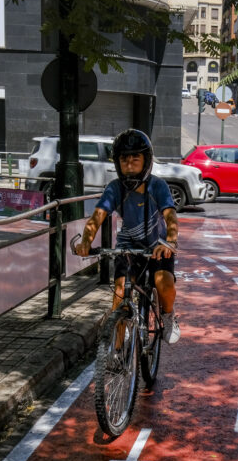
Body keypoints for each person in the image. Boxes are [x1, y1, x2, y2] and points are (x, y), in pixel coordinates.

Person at [72, 128, 181, 343]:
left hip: (158, 248)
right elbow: (97, 217)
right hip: (128, 248)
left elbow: (170, 216)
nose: (129, 164)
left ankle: (168, 316)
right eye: (124, 159)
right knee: (120, 293)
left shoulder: (157, 186)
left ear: (146, 160)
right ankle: (117, 353)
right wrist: (86, 240)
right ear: (117, 163)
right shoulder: (114, 188)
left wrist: (170, 241)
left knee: (163, 283)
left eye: (135, 158)